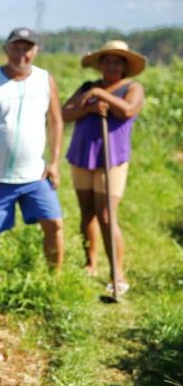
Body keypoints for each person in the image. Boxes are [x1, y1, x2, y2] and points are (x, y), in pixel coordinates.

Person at [0, 27, 64, 279]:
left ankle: (53, 278)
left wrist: (54, 162)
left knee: (54, 223)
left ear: (36, 51)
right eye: (16, 47)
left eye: (27, 47)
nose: (21, 53)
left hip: (35, 175)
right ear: (6, 49)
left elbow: (55, 121)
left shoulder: (45, 80)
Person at [62, 40, 146, 293]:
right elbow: (66, 113)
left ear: (124, 65)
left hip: (112, 159)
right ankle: (90, 263)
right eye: (107, 60)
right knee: (87, 213)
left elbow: (128, 111)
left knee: (107, 215)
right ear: (100, 64)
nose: (111, 65)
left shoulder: (132, 87)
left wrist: (101, 95)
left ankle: (117, 274)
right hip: (83, 154)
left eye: (117, 61)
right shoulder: (88, 87)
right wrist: (89, 107)